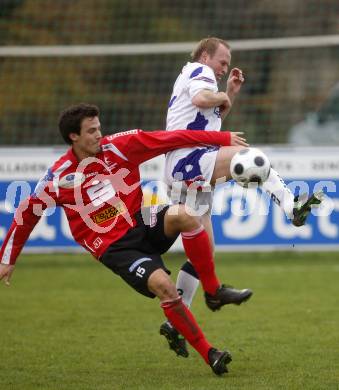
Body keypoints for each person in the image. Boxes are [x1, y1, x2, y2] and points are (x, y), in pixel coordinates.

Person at [0, 103, 254, 376]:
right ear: (74, 137)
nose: (99, 135)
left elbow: (172, 138)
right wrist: (7, 259)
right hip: (115, 248)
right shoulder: (60, 176)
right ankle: (210, 353)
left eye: (99, 128)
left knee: (186, 216)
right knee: (165, 287)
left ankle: (213, 291)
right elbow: (27, 213)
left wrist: (220, 138)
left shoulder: (119, 147)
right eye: (91, 131)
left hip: (140, 222)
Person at [160, 37, 323, 358]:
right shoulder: (199, 71)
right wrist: (221, 93)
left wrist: (229, 94)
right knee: (251, 159)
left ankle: (176, 321)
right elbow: (203, 97)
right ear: (206, 56)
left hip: (182, 166)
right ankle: (291, 208)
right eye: (223, 60)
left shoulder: (194, 75)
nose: (224, 67)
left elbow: (205, 114)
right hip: (188, 161)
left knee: (203, 251)